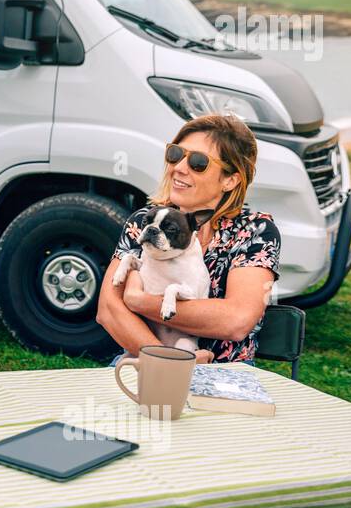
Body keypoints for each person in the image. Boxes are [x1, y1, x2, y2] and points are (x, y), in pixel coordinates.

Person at [96, 113, 281, 366]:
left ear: (230, 179)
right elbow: (108, 310)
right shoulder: (145, 220)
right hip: (144, 359)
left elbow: (237, 320)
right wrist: (169, 362)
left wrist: (138, 301)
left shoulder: (254, 230)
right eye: (175, 154)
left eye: (197, 162)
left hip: (222, 373)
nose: (179, 167)